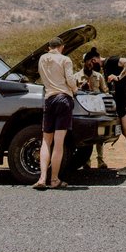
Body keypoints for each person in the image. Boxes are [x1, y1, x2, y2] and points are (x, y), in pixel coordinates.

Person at [33, 36, 77, 190]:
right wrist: (76, 89)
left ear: (48, 47)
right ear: (62, 47)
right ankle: (54, 179)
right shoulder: (65, 59)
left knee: (46, 141)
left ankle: (42, 178)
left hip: (49, 100)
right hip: (63, 99)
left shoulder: (41, 59)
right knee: (59, 143)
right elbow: (70, 80)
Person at [93, 48, 126, 176]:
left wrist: (119, 77)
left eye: (92, 62)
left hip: (125, 99)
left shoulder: (111, 60)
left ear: (95, 59)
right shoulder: (106, 67)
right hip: (120, 100)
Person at [73, 49, 109, 169]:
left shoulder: (98, 76)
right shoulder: (76, 77)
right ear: (84, 62)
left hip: (98, 110)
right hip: (84, 111)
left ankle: (100, 160)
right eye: (88, 61)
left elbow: (105, 91)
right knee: (86, 137)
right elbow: (73, 93)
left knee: (99, 138)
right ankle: (86, 161)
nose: (90, 63)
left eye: (91, 61)